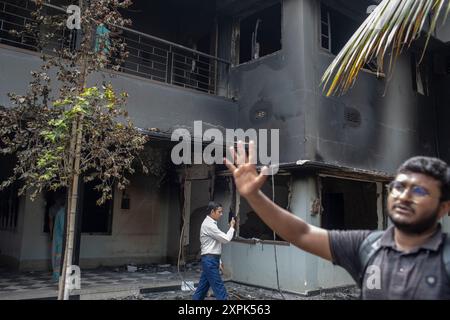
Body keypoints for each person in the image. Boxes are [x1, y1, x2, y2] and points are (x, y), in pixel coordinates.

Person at [224, 141, 450, 299]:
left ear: (443, 208)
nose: (404, 196)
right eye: (399, 187)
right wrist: (253, 196)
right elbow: (301, 233)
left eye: (419, 191)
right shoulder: (368, 246)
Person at [192, 202, 235, 300]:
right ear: (212, 211)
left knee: (201, 290)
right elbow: (226, 239)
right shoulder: (209, 225)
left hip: (211, 259)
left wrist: (219, 261)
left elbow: (215, 245)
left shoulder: (211, 224)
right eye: (219, 212)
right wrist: (232, 227)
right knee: (220, 289)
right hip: (210, 260)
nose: (221, 214)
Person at [48, 196, 65, 281]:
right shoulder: (62, 213)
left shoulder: (59, 212)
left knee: (57, 257)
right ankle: (57, 276)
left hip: (58, 238)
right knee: (59, 257)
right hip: (60, 240)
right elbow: (63, 229)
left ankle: (57, 275)